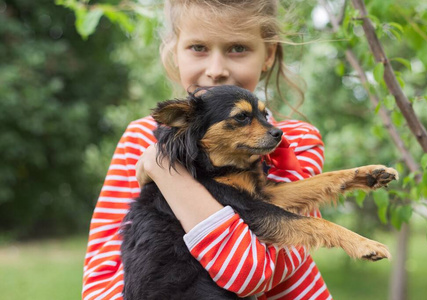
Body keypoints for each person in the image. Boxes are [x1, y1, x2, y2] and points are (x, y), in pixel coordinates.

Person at [82, 0, 332, 299]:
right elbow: (102, 275)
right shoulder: (139, 138)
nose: (216, 71)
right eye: (198, 47)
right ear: (174, 51)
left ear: (269, 54)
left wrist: (164, 170)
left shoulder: (295, 142)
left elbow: (252, 274)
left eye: (238, 48)